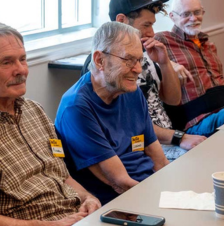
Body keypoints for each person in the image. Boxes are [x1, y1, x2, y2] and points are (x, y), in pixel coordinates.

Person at [0, 21, 101, 226]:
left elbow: (62, 175)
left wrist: (87, 198)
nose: (21, 70)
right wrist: (51, 225)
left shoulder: (34, 111)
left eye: (22, 59)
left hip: (76, 217)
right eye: (7, 62)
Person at [55, 22, 169, 205]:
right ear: (100, 60)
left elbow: (160, 160)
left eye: (139, 60)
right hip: (120, 202)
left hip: (148, 189)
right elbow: (120, 182)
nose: (138, 69)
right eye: (128, 59)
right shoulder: (76, 107)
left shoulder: (131, 92)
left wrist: (176, 192)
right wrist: (162, 200)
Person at [107, 0, 206, 160]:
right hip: (143, 148)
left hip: (168, 140)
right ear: (121, 20)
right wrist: (180, 137)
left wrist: (164, 62)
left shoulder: (145, 53)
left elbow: (173, 100)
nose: (151, 33)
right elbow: (130, 122)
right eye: (146, 25)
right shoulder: (108, 65)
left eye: (152, 25)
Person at [155, 0, 224, 136]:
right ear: (172, 16)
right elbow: (137, 53)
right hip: (199, 122)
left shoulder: (209, 45)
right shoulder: (162, 40)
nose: (194, 18)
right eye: (186, 14)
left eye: (197, 12)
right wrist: (168, 63)